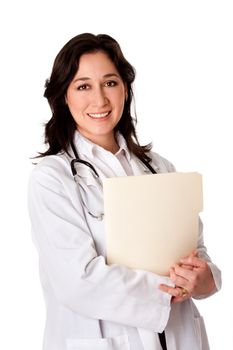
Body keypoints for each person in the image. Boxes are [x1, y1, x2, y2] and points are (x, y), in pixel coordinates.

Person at [28, 33, 221, 350]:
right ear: (64, 96)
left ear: (126, 89)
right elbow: (78, 282)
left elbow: (196, 252)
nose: (100, 99)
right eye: (83, 86)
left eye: (110, 83)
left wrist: (205, 278)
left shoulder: (161, 168)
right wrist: (171, 287)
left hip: (179, 337)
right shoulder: (52, 179)